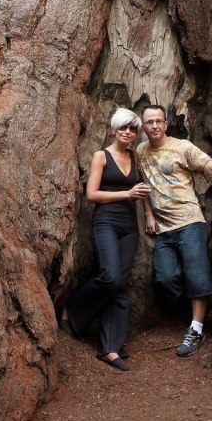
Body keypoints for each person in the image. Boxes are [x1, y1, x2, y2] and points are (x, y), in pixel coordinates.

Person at [137, 104, 212, 357]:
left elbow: (209, 166)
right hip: (163, 230)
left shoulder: (182, 147)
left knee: (197, 276)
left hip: (190, 222)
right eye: (150, 122)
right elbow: (144, 185)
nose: (155, 126)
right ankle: (192, 305)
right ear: (144, 126)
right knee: (165, 278)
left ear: (166, 124)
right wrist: (148, 213)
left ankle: (196, 327)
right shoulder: (141, 152)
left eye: (159, 121)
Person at [60, 108, 152, 372]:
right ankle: (73, 309)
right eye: (124, 128)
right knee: (110, 276)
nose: (128, 132)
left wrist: (148, 213)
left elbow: (142, 189)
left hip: (129, 226)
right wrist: (127, 194)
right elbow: (92, 194)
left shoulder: (135, 157)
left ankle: (110, 348)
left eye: (133, 129)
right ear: (114, 129)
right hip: (106, 222)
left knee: (120, 284)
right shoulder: (102, 156)